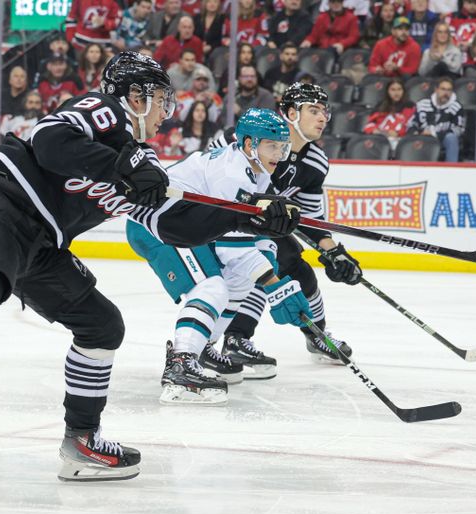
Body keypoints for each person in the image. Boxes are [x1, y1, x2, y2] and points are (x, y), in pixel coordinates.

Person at [0, 51, 300, 481]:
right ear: (135, 94)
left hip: (43, 242)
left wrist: (259, 222)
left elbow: (175, 228)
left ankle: (81, 442)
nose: (166, 110)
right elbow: (49, 142)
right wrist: (124, 163)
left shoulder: (139, 155)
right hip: (3, 201)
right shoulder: (106, 112)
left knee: (102, 325)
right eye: (158, 96)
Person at [127, 107, 309, 404]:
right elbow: (231, 248)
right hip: (157, 227)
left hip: (189, 222)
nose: (278, 153)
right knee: (212, 287)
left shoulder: (258, 170)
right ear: (250, 144)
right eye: (271, 145)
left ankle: (202, 347)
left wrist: (270, 253)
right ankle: (181, 363)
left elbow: (249, 236)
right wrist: (275, 285)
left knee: (237, 281)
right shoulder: (232, 173)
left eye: (282, 146)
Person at [220, 84, 360, 372]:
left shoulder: (316, 161)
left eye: (324, 111)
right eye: (314, 110)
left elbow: (311, 219)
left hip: (260, 225)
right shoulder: (251, 134)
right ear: (291, 113)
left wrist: (335, 254)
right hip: (221, 218)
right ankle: (234, 339)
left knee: (299, 271)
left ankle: (316, 334)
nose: (323, 118)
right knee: (268, 263)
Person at [409, 76, 464, 162]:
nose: (446, 93)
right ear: (436, 89)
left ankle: (452, 170)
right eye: (443, 89)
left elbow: (458, 129)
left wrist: (434, 134)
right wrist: (417, 133)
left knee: (451, 138)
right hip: (422, 138)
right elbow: (412, 124)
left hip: (442, 139)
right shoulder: (422, 104)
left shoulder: (456, 107)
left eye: (449, 90)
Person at [363, 78, 415, 151]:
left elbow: (411, 127)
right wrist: (379, 131)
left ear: (403, 91)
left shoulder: (410, 107)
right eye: (393, 90)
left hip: (400, 142)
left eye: (399, 89)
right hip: (379, 140)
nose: (396, 93)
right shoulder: (380, 106)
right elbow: (369, 125)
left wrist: (397, 134)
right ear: (387, 91)